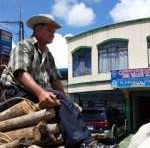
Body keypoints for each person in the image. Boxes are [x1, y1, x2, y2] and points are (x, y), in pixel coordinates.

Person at [0, 14, 119, 148]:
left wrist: (70, 103)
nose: (53, 34)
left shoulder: (48, 54)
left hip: (30, 93)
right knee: (57, 97)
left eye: (54, 32)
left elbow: (55, 80)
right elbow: (20, 73)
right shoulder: (24, 45)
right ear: (37, 30)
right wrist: (41, 93)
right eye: (49, 30)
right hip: (12, 94)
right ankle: (83, 144)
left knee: (67, 104)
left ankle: (88, 141)